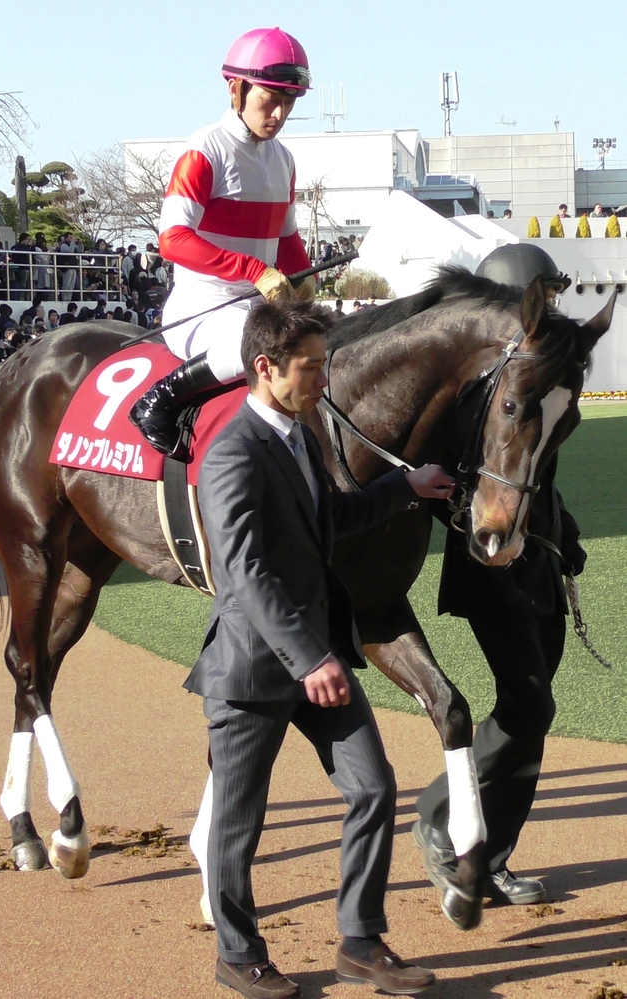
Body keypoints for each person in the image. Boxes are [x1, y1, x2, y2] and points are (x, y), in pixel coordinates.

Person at [189, 299, 455, 998]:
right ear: (265, 366)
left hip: (318, 658)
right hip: (255, 667)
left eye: (322, 364)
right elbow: (244, 571)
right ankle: (238, 954)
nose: (321, 379)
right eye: (309, 368)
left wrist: (403, 486)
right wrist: (309, 658)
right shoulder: (231, 452)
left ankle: (360, 942)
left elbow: (332, 516)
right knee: (238, 822)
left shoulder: (302, 439)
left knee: (373, 787)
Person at [413, 242, 584, 913]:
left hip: (542, 557)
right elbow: (453, 487)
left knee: (533, 715)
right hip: (491, 562)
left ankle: (491, 857)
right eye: (543, 295)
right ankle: (439, 817)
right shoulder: (471, 393)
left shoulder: (535, 375)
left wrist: (565, 537)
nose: (553, 308)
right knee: (530, 705)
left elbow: (539, 473)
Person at [129, 27, 317, 461]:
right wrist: (254, 270)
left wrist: (304, 276)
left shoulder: (283, 160)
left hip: (259, 308)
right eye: (269, 99)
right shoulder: (205, 150)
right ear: (236, 90)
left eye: (289, 102)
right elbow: (172, 239)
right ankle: (158, 401)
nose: (279, 113)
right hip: (203, 309)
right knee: (264, 346)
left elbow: (285, 237)